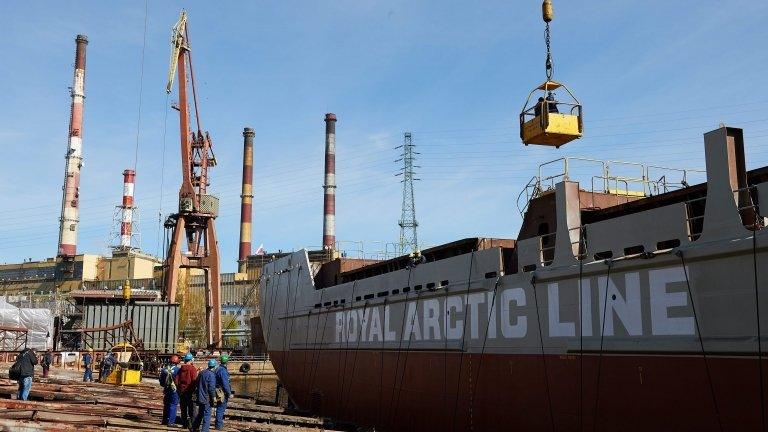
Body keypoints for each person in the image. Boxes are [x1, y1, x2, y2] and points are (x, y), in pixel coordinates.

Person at [192, 359, 218, 432]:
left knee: (200, 413)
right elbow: (211, 389)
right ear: (214, 366)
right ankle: (205, 430)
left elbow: (196, 383)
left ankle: (194, 427)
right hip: (207, 398)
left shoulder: (201, 372)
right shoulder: (212, 375)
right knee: (207, 415)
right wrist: (213, 398)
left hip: (200, 397)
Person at [176, 353, 198, 429]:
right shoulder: (192, 369)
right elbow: (194, 381)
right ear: (191, 360)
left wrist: (179, 389)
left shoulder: (180, 369)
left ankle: (184, 424)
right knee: (192, 409)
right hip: (190, 392)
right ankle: (192, 425)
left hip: (182, 392)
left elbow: (176, 381)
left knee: (183, 409)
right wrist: (193, 390)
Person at [160, 355, 181, 426]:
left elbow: (161, 381)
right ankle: (171, 422)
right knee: (173, 405)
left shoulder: (164, 369)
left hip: (166, 389)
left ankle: (164, 420)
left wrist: (165, 386)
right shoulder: (178, 370)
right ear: (177, 362)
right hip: (174, 390)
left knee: (166, 405)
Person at [214, 354, 233, 430]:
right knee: (221, 409)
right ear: (227, 362)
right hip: (222, 393)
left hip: (218, 391)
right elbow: (225, 384)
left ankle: (218, 425)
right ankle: (218, 426)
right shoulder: (223, 371)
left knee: (219, 408)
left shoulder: (218, 369)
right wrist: (229, 393)